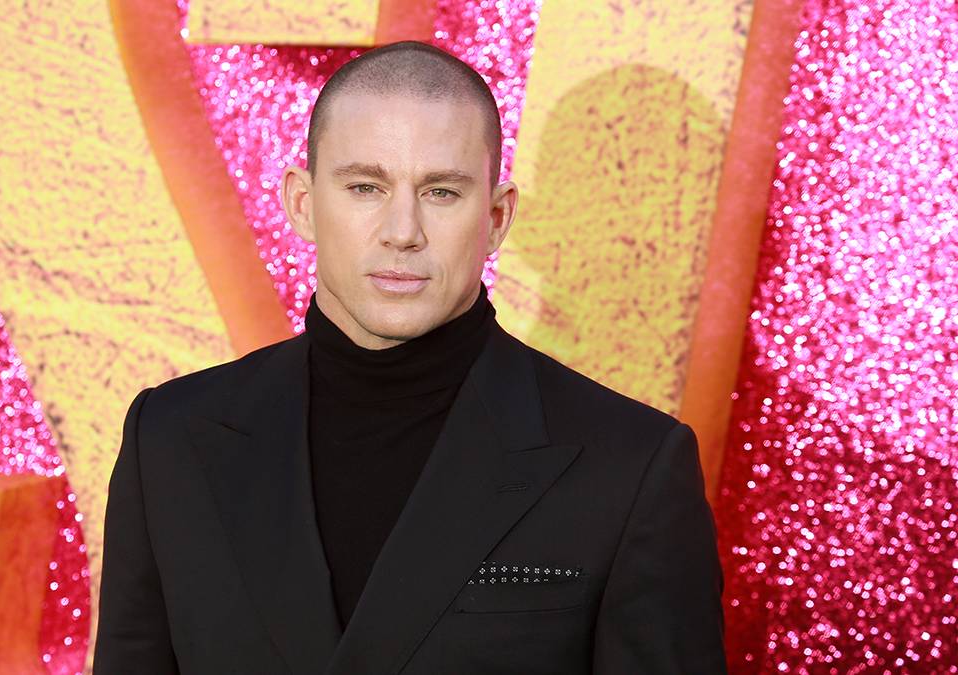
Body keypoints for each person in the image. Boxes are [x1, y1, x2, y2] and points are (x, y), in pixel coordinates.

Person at [94, 40, 726, 674]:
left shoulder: (631, 465)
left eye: (441, 192)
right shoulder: (168, 439)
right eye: (365, 187)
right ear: (302, 204)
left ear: (497, 217)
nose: (402, 231)